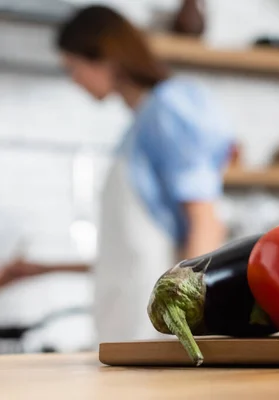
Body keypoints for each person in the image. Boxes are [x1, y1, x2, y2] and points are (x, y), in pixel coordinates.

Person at [0, 5, 233, 344]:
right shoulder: (139, 124)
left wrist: (189, 327)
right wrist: (41, 269)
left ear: (104, 57)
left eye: (73, 67)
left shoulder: (167, 108)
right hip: (128, 330)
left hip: (159, 335)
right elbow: (131, 257)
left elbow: (204, 221)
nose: (74, 79)